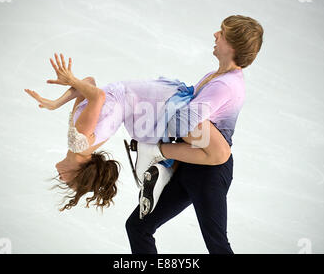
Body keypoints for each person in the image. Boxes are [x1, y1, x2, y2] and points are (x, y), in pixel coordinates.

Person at [125, 15, 264, 254]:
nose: (215, 35)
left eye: (222, 32)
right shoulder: (217, 76)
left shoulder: (225, 86)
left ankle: (154, 152)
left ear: (233, 46)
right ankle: (155, 152)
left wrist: (160, 125)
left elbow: (181, 124)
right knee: (138, 226)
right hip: (189, 163)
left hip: (208, 174)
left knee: (217, 245)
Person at [25, 53, 232, 212]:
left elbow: (88, 83)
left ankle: (163, 171)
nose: (62, 179)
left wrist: (56, 103)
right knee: (181, 137)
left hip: (140, 100)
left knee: (162, 139)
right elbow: (95, 94)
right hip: (144, 100)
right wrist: (71, 80)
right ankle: (164, 170)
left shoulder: (79, 142)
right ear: (79, 171)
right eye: (69, 183)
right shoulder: (79, 143)